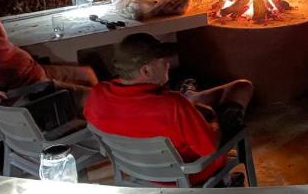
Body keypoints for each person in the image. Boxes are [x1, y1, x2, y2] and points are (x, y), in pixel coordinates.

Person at [84, 33, 253, 185]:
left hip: (138, 170)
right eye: (162, 60)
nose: (168, 64)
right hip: (187, 174)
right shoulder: (173, 105)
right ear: (146, 70)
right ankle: (225, 180)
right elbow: (209, 147)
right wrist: (214, 119)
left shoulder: (97, 94)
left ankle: (190, 94)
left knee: (194, 105)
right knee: (240, 91)